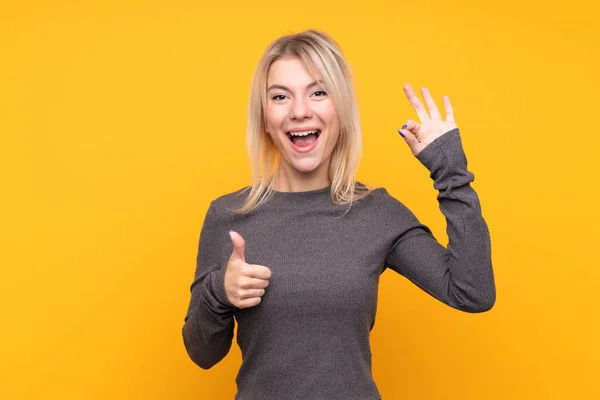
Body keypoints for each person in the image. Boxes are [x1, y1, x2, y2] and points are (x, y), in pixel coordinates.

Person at [182, 29, 496, 400]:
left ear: (341, 111)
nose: (300, 110)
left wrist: (451, 173)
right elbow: (202, 354)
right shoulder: (228, 215)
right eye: (280, 97)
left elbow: (472, 292)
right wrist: (219, 291)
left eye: (318, 92)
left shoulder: (377, 213)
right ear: (265, 119)